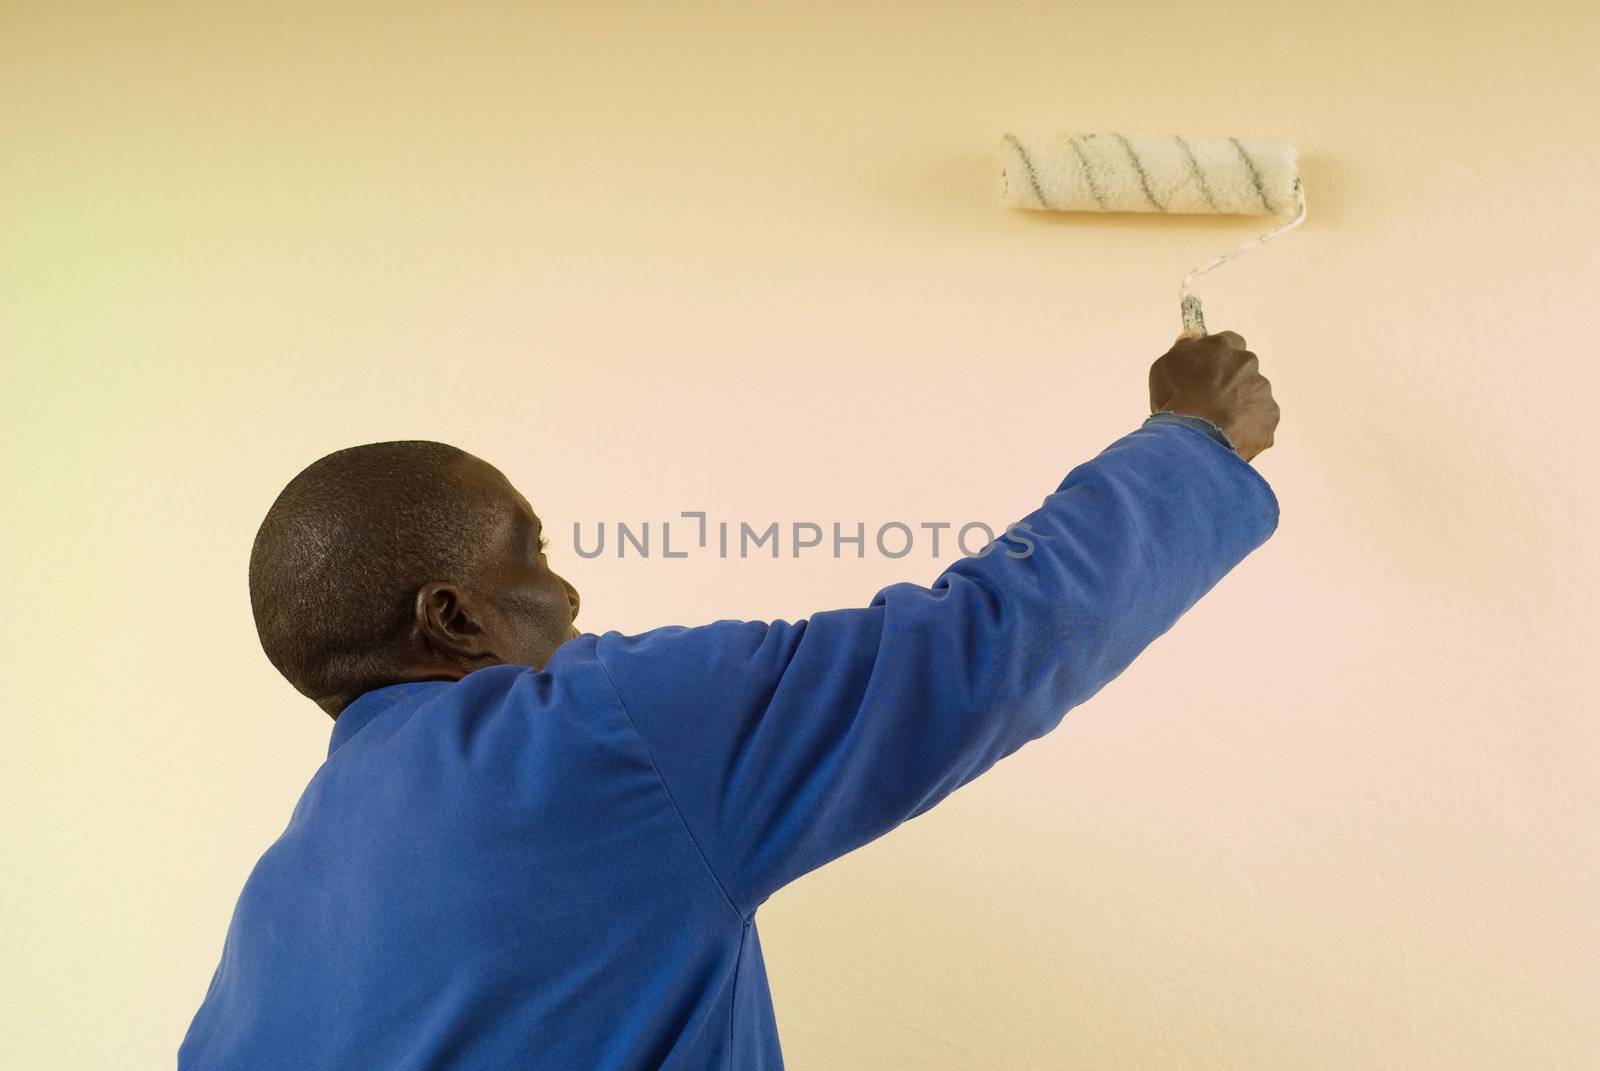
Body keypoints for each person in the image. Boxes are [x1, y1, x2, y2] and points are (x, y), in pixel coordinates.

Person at [180, 331, 1281, 1069]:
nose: (568, 592)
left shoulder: (268, 923)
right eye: (534, 556)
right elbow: (987, 641)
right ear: (454, 619)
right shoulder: (590, 740)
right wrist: (1190, 441)